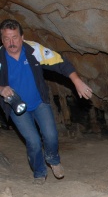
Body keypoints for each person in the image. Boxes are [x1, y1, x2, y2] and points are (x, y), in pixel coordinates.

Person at [0, 19, 93, 184]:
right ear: (2, 39)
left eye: (14, 37)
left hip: (39, 102)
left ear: (22, 37)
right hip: (17, 107)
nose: (11, 42)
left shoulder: (33, 49)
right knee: (33, 141)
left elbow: (60, 63)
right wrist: (1, 89)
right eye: (7, 38)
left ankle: (53, 159)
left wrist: (77, 81)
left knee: (51, 135)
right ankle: (39, 172)